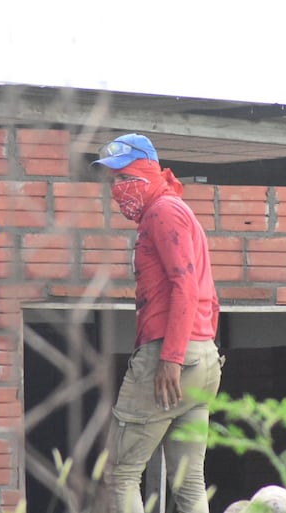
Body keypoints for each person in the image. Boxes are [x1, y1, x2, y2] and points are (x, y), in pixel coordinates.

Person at [91, 133, 223, 513]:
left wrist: (172, 357)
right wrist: (199, 350)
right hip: (202, 357)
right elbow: (209, 296)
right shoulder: (178, 210)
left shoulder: (163, 212)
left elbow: (184, 284)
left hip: (171, 354)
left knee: (121, 473)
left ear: (147, 170)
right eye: (112, 181)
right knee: (189, 481)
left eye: (123, 176)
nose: (117, 188)